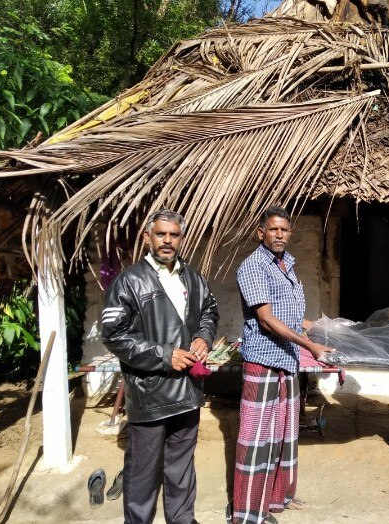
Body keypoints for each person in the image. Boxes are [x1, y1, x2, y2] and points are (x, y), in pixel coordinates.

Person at [102, 209, 219, 524]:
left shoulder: (193, 277)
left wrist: (203, 338)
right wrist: (164, 355)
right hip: (150, 395)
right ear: (147, 237)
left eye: (174, 235)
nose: (168, 241)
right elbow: (112, 335)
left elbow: (209, 310)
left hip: (189, 391)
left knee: (181, 467)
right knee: (143, 472)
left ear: (181, 238)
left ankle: (182, 519)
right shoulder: (129, 282)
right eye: (161, 234)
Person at [228, 206, 334, 524]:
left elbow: (288, 313)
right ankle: (247, 513)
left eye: (284, 230)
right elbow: (267, 319)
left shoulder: (286, 265)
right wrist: (310, 345)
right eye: (273, 229)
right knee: (256, 440)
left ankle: (275, 500)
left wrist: (314, 326)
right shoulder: (253, 267)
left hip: (286, 362)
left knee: (282, 436)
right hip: (263, 362)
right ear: (260, 233)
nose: (279, 235)